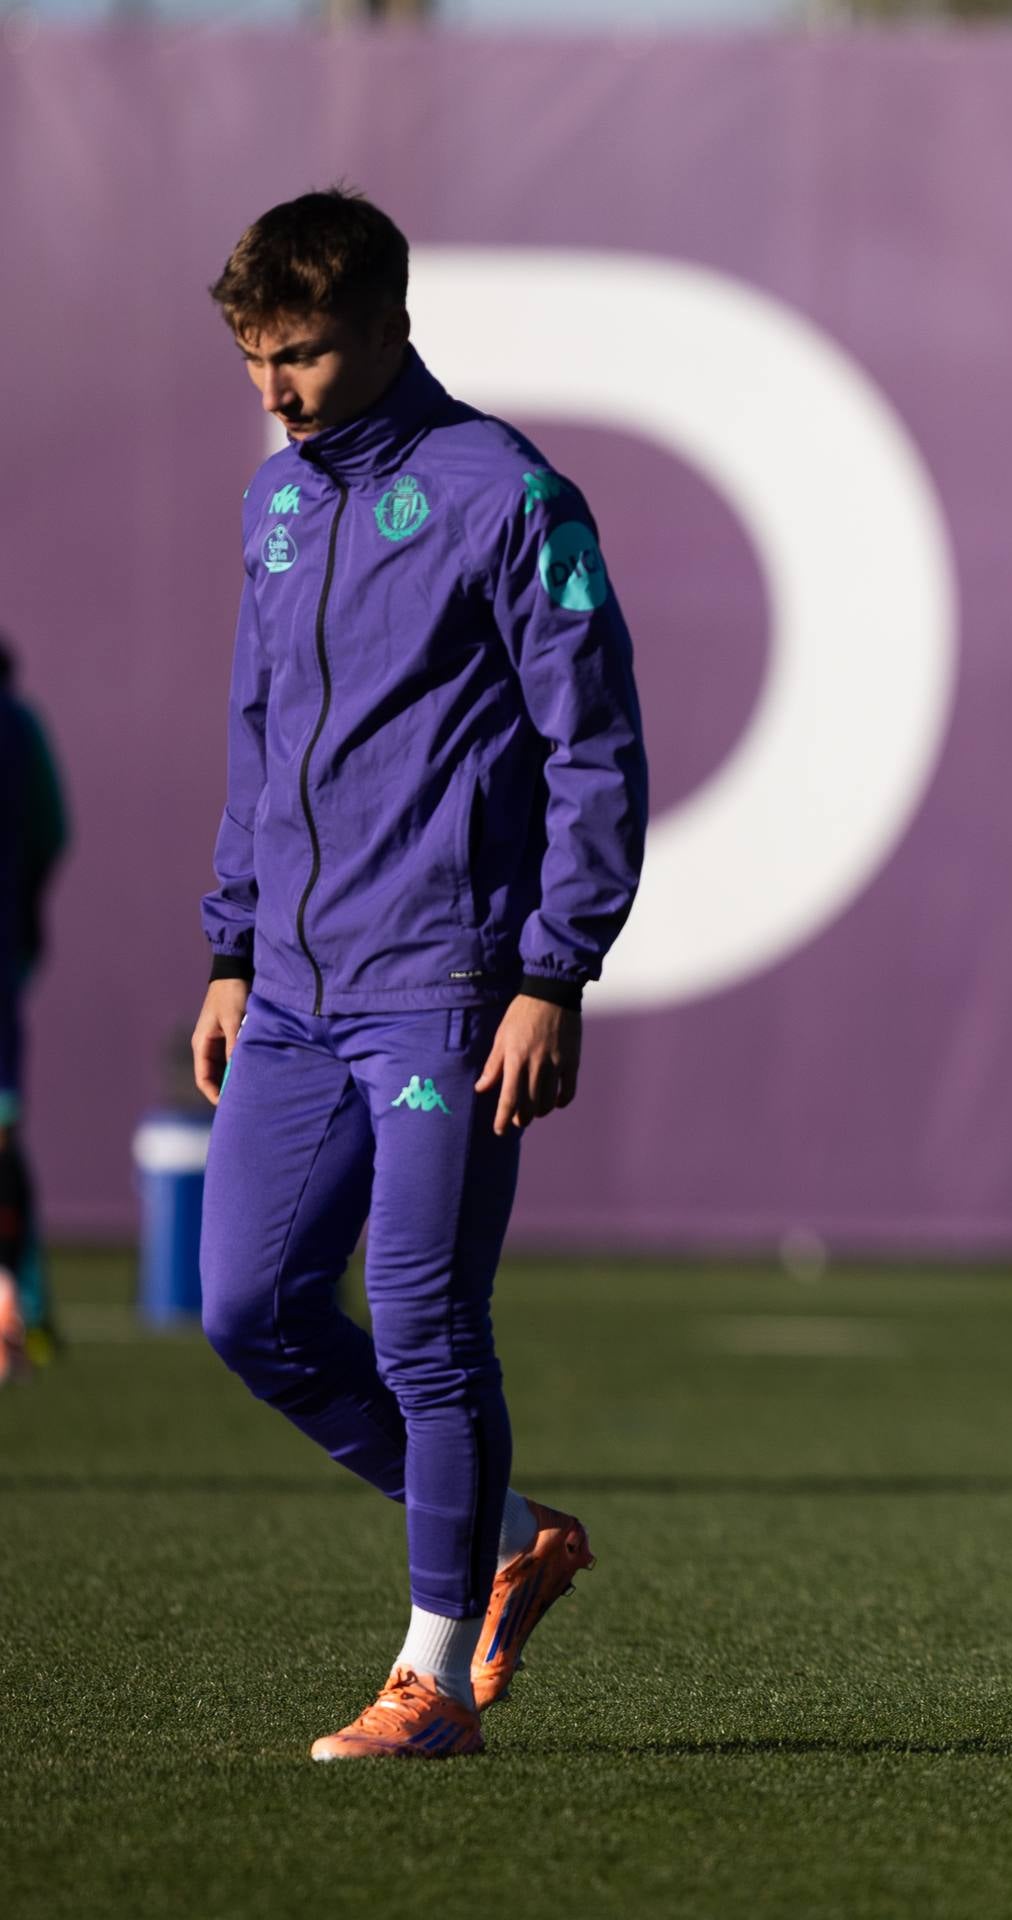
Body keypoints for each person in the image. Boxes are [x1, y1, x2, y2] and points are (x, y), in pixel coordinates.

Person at [191, 189, 648, 1758]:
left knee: (422, 1328)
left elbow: (594, 750)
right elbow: (264, 742)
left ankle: (434, 1679)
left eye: (303, 354)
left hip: (449, 984)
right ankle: (510, 1531)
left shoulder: (508, 493)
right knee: (245, 1309)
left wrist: (553, 972)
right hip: (297, 990)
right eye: (255, 356)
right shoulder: (275, 503)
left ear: (389, 323)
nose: (276, 389)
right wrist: (233, 945)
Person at [0, 638, 56, 1379]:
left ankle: (18, 1304)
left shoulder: (15, 728)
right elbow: (50, 834)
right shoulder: (20, 727)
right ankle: (22, 1303)